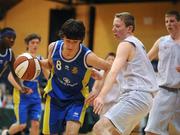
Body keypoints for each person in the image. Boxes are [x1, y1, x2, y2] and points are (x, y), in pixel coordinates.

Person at [89, 12, 158, 135]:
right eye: (113, 26)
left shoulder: (125, 44)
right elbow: (112, 67)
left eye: (117, 26)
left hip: (136, 96)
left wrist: (101, 96)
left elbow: (114, 71)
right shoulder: (138, 43)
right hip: (145, 99)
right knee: (115, 132)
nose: (113, 29)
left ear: (129, 28)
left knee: (100, 128)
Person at [40, 18, 110, 135]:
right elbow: (50, 64)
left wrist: (97, 90)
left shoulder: (88, 56)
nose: (70, 45)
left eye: (75, 42)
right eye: (68, 41)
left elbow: (109, 68)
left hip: (76, 99)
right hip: (54, 97)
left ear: (81, 41)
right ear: (62, 37)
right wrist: (36, 62)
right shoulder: (53, 47)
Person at [2, 33, 49, 135]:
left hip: (36, 97)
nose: (35, 45)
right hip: (22, 97)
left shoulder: (40, 59)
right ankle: (6, 133)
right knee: (22, 125)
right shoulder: (21, 59)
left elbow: (48, 77)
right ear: (27, 44)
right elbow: (10, 77)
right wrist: (21, 88)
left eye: (37, 43)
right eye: (33, 42)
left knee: (36, 124)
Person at [145, 10, 180, 135]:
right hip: (163, 91)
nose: (168, 24)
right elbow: (145, 60)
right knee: (151, 131)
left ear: (179, 22)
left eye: (172, 21)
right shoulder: (161, 41)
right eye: (166, 21)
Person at [88, 52, 122, 117]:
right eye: (109, 59)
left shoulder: (119, 73)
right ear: (105, 61)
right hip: (104, 103)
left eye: (113, 60)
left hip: (116, 103)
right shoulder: (101, 72)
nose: (111, 61)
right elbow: (95, 87)